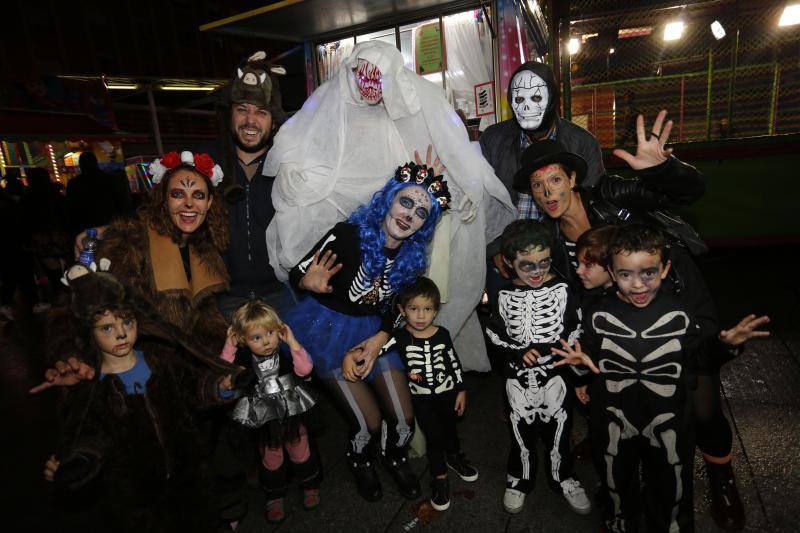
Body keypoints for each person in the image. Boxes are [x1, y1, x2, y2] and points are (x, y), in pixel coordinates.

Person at [515, 112, 749, 530]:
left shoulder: (611, 194)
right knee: (618, 398)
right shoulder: (550, 241)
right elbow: (576, 301)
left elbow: (689, 192)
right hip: (618, 325)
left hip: (676, 304)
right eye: (537, 185)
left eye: (554, 179)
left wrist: (663, 170)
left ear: (572, 178)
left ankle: (722, 475)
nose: (547, 191)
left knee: (703, 405)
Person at [264, 40, 514, 372]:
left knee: (418, 312)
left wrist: (440, 183)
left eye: (378, 79)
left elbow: (451, 164)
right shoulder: (334, 115)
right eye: (362, 76)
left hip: (408, 246)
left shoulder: (414, 111)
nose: (370, 87)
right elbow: (322, 167)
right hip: (363, 247)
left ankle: (423, 380)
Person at [554, 224, 769, 533]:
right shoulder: (596, 314)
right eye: (626, 274)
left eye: (648, 273)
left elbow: (697, 360)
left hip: (670, 419)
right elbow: (587, 361)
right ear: (612, 274)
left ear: (665, 269)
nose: (638, 285)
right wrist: (578, 366)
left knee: (672, 487)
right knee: (615, 484)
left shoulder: (680, 313)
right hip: (614, 416)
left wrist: (726, 346)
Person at [284, 160, 451, 502]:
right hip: (326, 330)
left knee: (404, 421)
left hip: (375, 332)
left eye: (421, 212)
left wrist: (377, 341)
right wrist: (307, 281)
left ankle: (395, 455)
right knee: (367, 424)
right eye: (406, 201)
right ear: (389, 199)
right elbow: (298, 274)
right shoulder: (348, 234)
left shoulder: (413, 257)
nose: (409, 214)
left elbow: (394, 309)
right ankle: (360, 460)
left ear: (424, 225)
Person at [49, 268, 238, 533]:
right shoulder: (93, 385)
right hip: (137, 495)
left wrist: (220, 387)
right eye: (107, 327)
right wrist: (78, 463)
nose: (121, 333)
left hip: (190, 478)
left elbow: (193, 387)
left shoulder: (159, 358)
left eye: (127, 322)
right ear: (88, 332)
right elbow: (90, 436)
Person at [484, 219, 591, 516]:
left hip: (556, 373)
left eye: (543, 262)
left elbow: (575, 328)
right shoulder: (503, 296)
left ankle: (564, 476)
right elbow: (494, 333)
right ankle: (519, 478)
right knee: (520, 432)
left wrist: (547, 352)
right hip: (516, 375)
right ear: (508, 262)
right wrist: (518, 351)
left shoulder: (563, 290)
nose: (537, 271)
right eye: (526, 264)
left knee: (561, 428)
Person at [380, 277, 478, 512]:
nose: (421, 316)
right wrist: (361, 354)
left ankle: (454, 457)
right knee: (434, 438)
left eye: (427, 309)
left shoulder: (442, 334)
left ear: (436, 310)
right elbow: (379, 350)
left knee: (451, 429)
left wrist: (461, 389)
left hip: (447, 393)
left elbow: (453, 363)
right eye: (414, 309)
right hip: (422, 400)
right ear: (402, 310)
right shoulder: (400, 337)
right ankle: (440, 478)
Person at [221, 300, 320, 523]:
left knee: (300, 449)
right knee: (271, 456)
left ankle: (310, 485)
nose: (266, 341)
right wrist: (230, 346)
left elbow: (305, 369)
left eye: (270, 332)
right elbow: (224, 373)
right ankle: (275, 496)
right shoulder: (244, 359)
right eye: (256, 337)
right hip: (264, 416)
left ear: (279, 330)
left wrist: (292, 341)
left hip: (291, 410)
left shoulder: (285, 352)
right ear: (243, 339)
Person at [480, 60, 605, 223]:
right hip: (508, 242)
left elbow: (594, 203)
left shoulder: (583, 143)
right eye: (519, 99)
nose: (526, 108)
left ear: (552, 98)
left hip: (560, 244)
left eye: (536, 97)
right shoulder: (493, 139)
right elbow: (482, 202)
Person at [65, 152, 130, 237]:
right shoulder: (109, 179)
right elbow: (122, 203)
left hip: (86, 227)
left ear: (81, 165)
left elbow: (71, 208)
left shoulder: (74, 184)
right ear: (95, 163)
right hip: (109, 225)